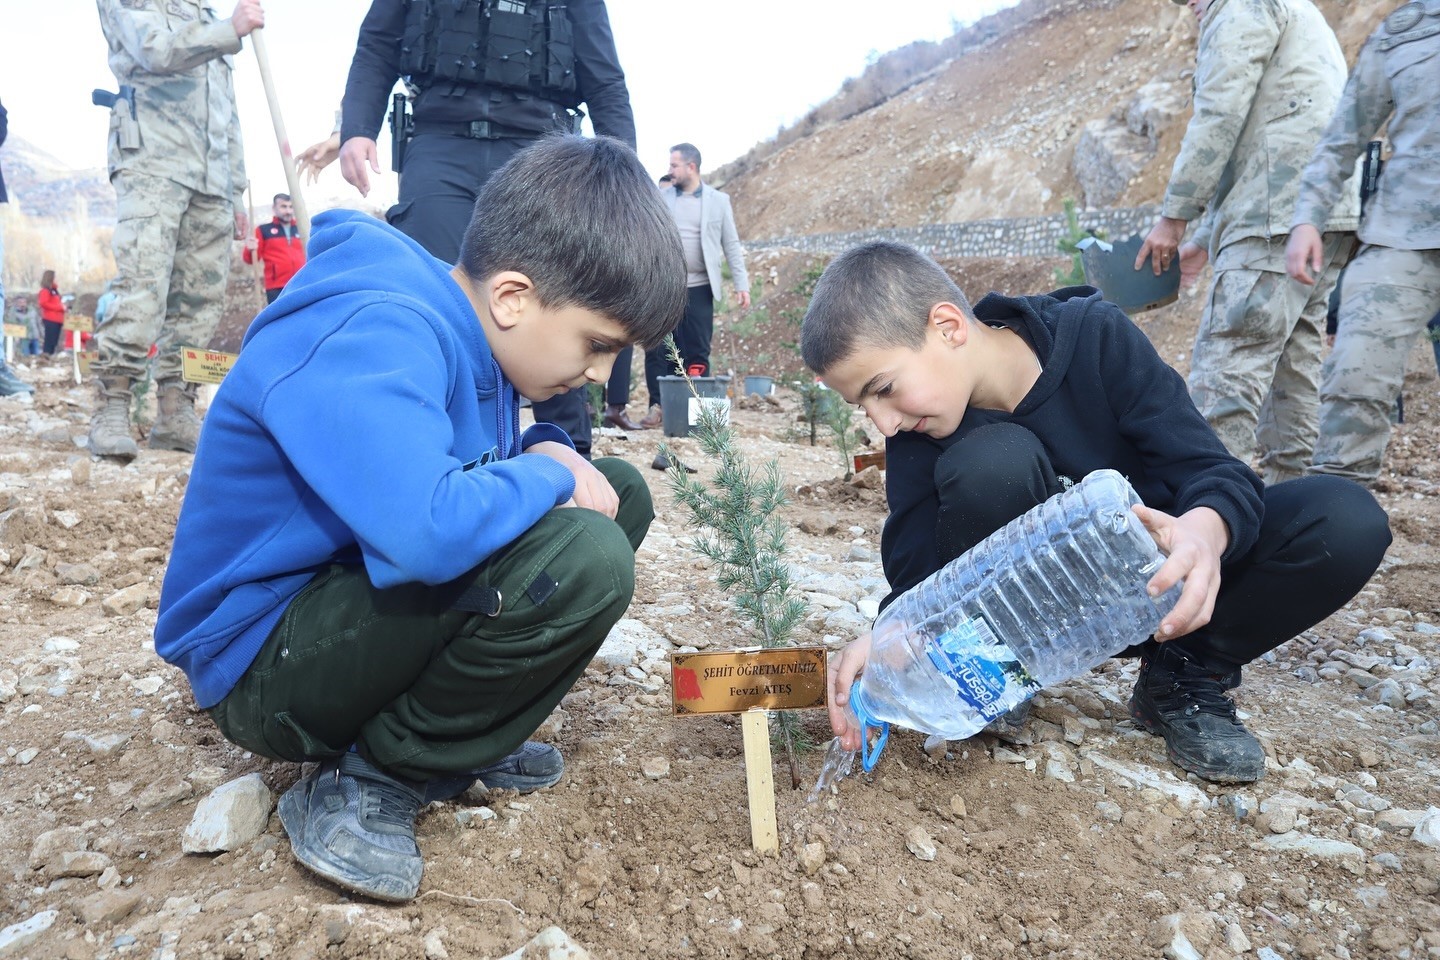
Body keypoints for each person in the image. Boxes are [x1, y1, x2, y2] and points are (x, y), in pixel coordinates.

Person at [154, 136, 684, 903]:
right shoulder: (376, 326)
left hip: (340, 599)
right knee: (584, 552)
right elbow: (425, 530)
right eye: (597, 345)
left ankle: (465, 729)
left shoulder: (471, 328)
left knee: (612, 490)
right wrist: (543, 466)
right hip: (260, 660)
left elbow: (465, 457)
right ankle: (375, 778)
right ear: (513, 298)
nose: (601, 375)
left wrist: (542, 446)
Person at [802, 242, 1390, 784]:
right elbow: (916, 576)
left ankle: (1182, 676)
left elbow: (1213, 470)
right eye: (864, 406)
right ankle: (999, 677)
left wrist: (1204, 534)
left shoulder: (1093, 338)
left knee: (1344, 521)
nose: (883, 423)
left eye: (884, 389)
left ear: (948, 326)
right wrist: (886, 643)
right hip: (1042, 629)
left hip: (1167, 598)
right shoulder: (918, 434)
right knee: (993, 463)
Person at [338, 0, 638, 456]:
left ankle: (571, 456)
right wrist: (358, 127)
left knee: (560, 298)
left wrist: (623, 171)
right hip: (440, 142)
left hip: (541, 147)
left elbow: (605, 77)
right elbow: (377, 44)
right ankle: (437, 451)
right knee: (431, 295)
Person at [1134, 0, 1357, 485]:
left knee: (1226, 375)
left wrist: (1174, 219)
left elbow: (1221, 113)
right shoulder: (1296, 10)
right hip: (1323, 209)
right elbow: (1269, 121)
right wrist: (1210, 241)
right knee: (1291, 369)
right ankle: (1291, 516)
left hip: (1276, 209)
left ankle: (1204, 521)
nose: (1188, 6)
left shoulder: (1240, 4)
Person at [90, 0, 262, 461]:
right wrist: (230, 30)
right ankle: (112, 407)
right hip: (152, 162)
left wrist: (237, 190)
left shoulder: (208, 16)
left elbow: (228, 115)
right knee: (142, 287)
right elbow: (155, 50)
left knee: (200, 301)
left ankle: (175, 410)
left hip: (212, 178)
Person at [1286, 1, 1440, 482]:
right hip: (1403, 238)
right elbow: (1342, 137)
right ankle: (1334, 521)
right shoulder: (1404, 32)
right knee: (1354, 378)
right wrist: (1307, 218)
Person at [639, 143, 752, 430]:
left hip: (701, 287)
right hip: (666, 286)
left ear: (691, 167)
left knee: (698, 352)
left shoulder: (718, 200)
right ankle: (659, 407)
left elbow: (731, 244)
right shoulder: (661, 198)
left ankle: (699, 413)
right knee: (659, 349)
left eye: (674, 165)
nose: (669, 170)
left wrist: (742, 284)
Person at [242, 193, 306, 303]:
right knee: (280, 319)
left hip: (302, 283)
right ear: (274, 208)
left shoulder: (301, 228)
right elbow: (250, 259)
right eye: (283, 206)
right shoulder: (263, 230)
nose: (288, 211)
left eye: (291, 207)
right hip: (276, 287)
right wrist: (250, 249)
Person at [37, 270, 66, 356]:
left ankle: (51, 356)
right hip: (50, 319)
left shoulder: (55, 291)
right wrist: (59, 307)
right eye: (55, 277)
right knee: (49, 341)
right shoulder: (45, 291)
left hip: (58, 319)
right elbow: (43, 303)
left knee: (54, 342)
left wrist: (63, 307)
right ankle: (46, 357)